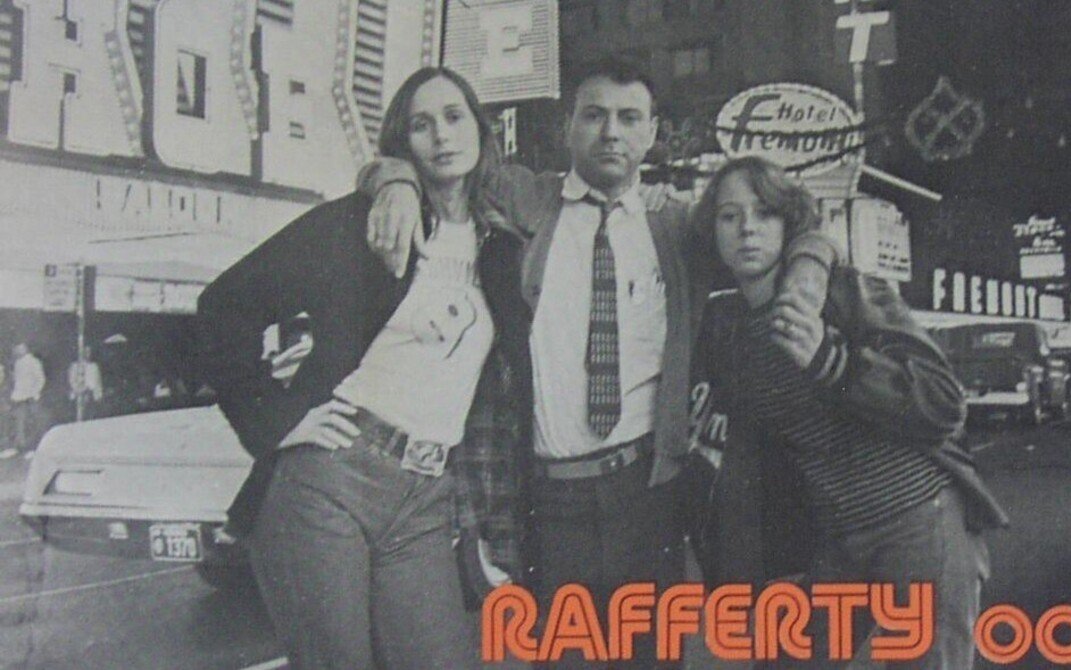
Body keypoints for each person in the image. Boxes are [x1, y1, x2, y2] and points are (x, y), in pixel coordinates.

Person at [357, 57, 837, 665]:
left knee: (652, 659)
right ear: (568, 126)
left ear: (652, 132)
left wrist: (808, 275)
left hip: (649, 494)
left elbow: (800, 222)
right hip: (550, 499)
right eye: (594, 116)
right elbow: (434, 165)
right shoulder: (526, 197)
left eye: (629, 118)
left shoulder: (678, 225)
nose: (611, 132)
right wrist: (394, 183)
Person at [195, 67, 529, 669]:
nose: (442, 136)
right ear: (402, 144)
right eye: (421, 125)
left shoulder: (500, 241)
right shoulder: (362, 224)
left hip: (426, 496)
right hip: (330, 483)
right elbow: (224, 306)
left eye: (454, 117)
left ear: (481, 130)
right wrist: (276, 419)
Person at [687, 157, 1008, 669]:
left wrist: (832, 363)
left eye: (765, 213)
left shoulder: (843, 292)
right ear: (713, 231)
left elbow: (944, 400)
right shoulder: (728, 326)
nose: (747, 228)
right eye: (730, 216)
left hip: (918, 518)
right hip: (836, 535)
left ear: (789, 224)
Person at [5, 342, 46, 459]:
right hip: (19, 397)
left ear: (24, 348)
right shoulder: (17, 363)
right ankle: (18, 447)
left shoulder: (33, 362)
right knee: (19, 423)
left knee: (31, 423)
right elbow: (16, 381)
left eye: (19, 348)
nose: (16, 350)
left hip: (30, 397)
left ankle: (33, 449)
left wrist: (35, 393)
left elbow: (40, 379)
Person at [67, 346, 104, 420]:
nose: (87, 354)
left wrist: (98, 395)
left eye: (89, 352)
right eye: (86, 352)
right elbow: (71, 380)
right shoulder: (75, 366)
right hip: (78, 393)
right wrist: (78, 389)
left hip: (91, 395)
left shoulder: (94, 366)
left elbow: (98, 381)